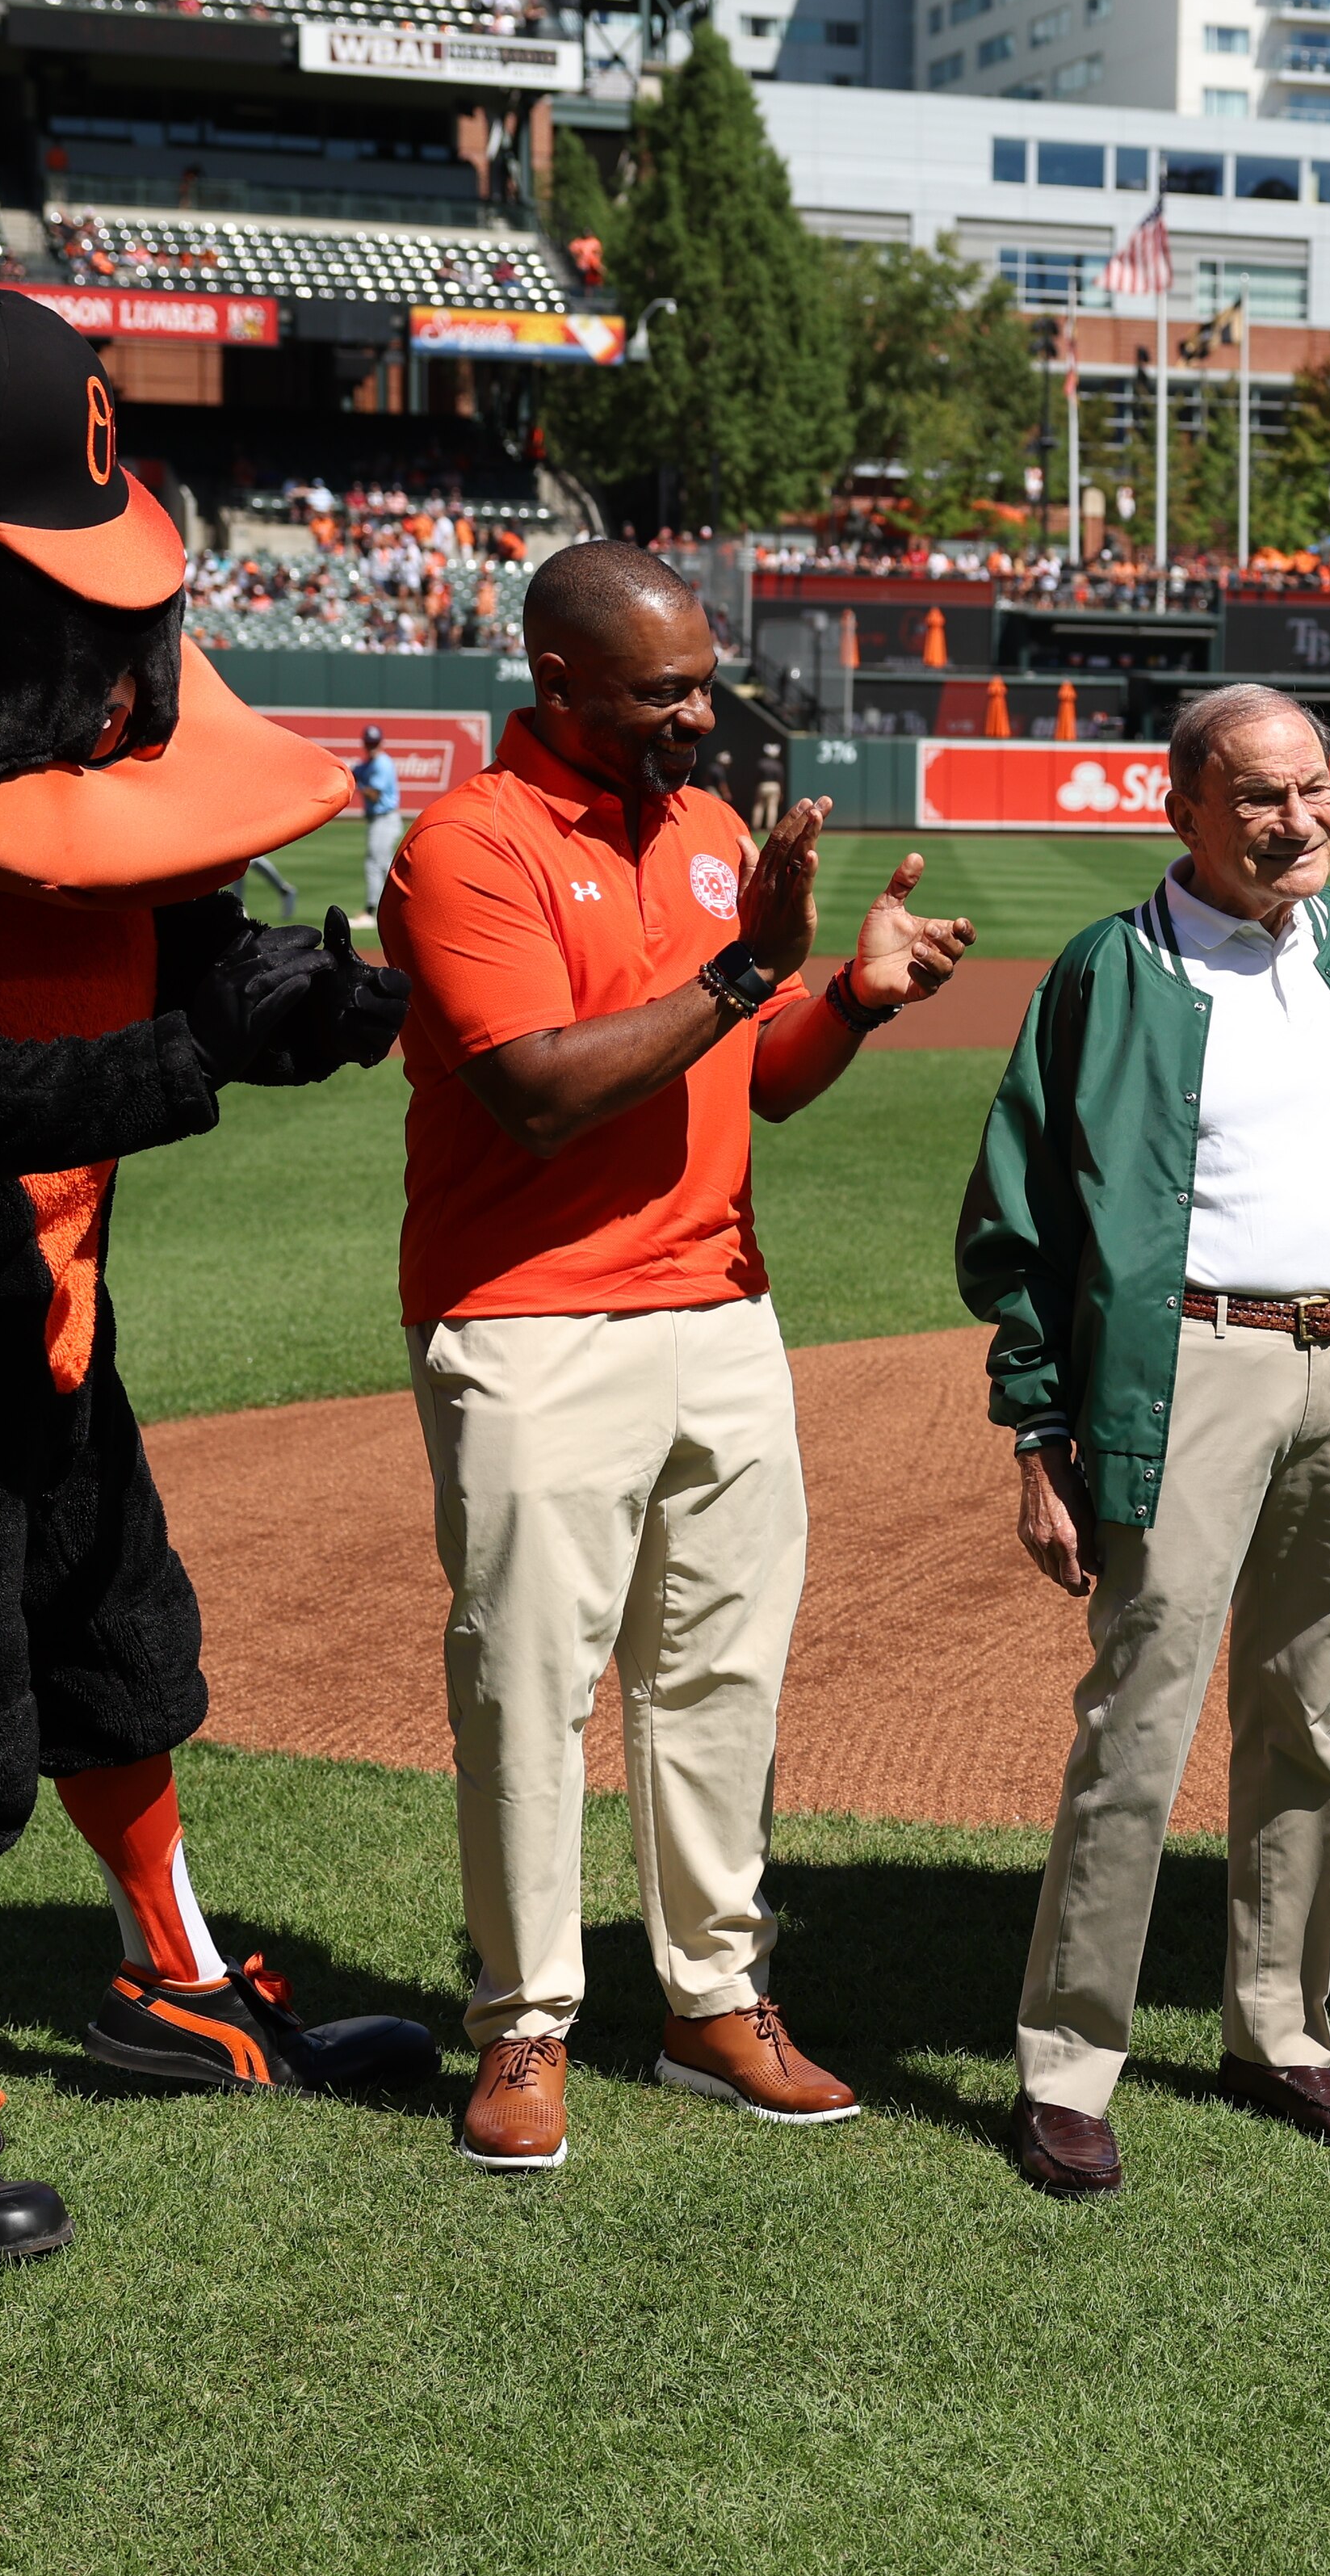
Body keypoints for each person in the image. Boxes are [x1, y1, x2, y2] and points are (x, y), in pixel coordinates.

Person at [380, 540, 978, 2172]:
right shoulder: (466, 845)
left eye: (704, 681)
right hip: (529, 1319)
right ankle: (524, 2022)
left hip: (721, 1309)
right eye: (664, 691)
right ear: (558, 683)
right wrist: (733, 977)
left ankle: (715, 2001)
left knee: (721, 1675)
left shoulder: (712, 834)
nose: (699, 716)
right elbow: (540, 1088)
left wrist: (842, 999)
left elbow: (754, 1081)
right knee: (527, 1686)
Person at [958, 683, 1330, 2199]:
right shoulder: (1107, 973)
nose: (1298, 821)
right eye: (1260, 796)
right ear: (1183, 807)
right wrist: (1040, 1428)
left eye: (1314, 790)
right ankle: (1070, 2062)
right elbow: (1021, 1219)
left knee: (1304, 1714)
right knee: (1140, 1710)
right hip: (1194, 1365)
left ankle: (1281, 2029)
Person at [356, 721, 402, 919]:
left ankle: (370, 911)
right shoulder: (370, 764)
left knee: (375, 864)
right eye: (369, 743)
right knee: (382, 865)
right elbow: (352, 772)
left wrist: (359, 784)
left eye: (374, 743)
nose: (371, 746)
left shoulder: (382, 764)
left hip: (385, 819)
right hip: (380, 820)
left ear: (381, 743)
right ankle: (391, 911)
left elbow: (374, 795)